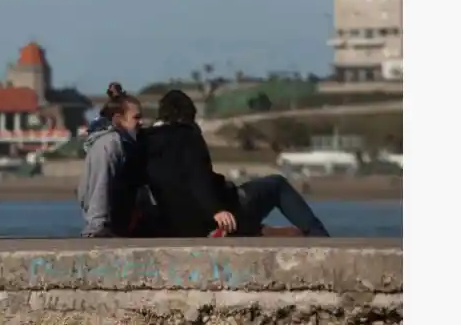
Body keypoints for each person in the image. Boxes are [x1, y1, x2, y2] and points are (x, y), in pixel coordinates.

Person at [139, 90, 331, 238]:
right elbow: (197, 177)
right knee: (276, 184)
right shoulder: (188, 136)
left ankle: (258, 230)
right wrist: (216, 210)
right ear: (186, 117)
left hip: (175, 222)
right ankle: (320, 237)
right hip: (214, 216)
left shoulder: (144, 141)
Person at [77, 83, 150, 238]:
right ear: (118, 119)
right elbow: (100, 184)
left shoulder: (127, 143)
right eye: (136, 118)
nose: (141, 122)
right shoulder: (109, 144)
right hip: (105, 229)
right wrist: (98, 225)